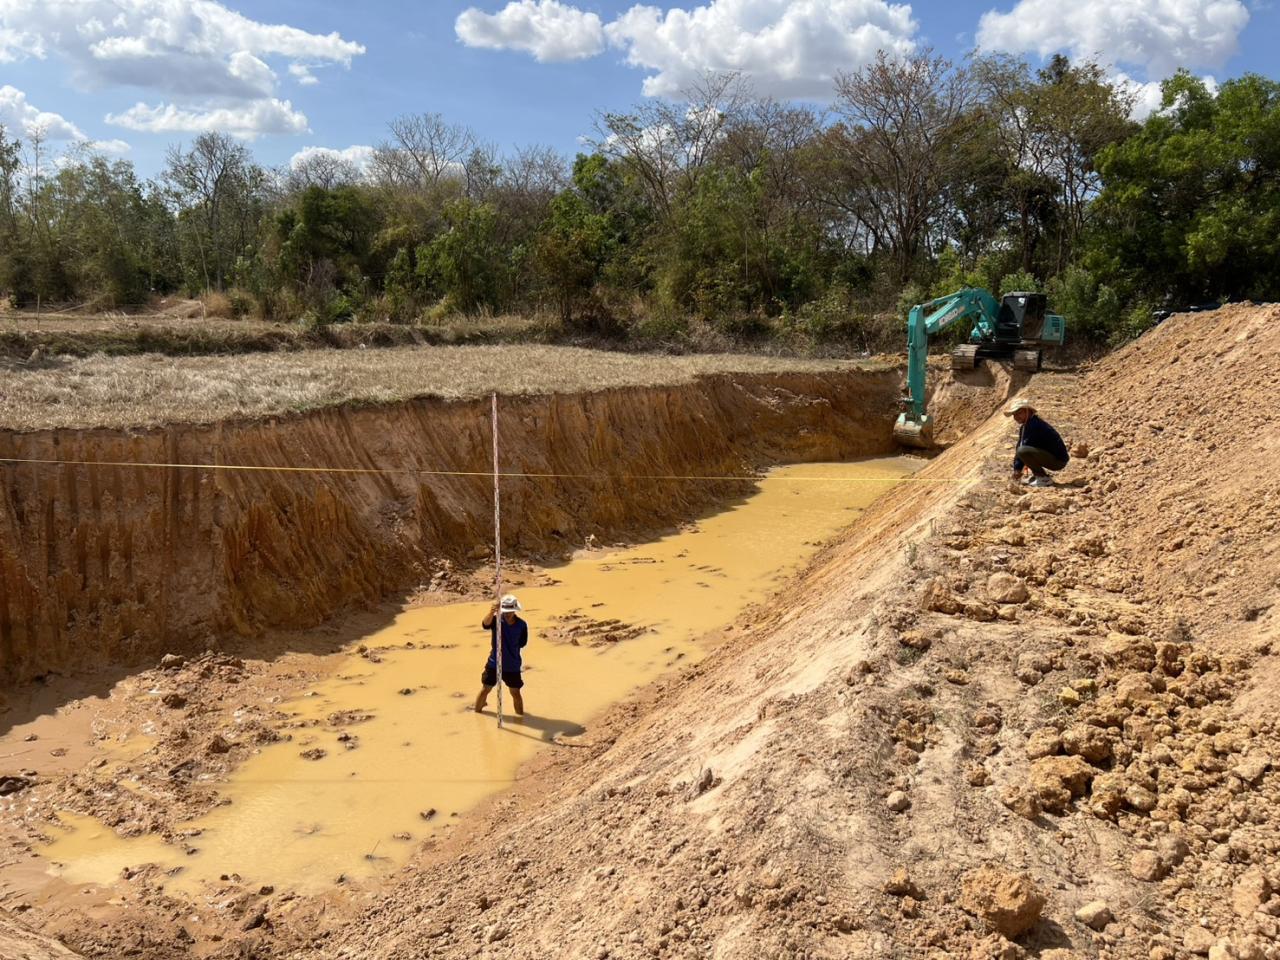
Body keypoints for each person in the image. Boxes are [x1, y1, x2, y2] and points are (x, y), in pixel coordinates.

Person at [475, 594, 528, 716]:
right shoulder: (496, 620)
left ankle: (520, 717)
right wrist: (491, 611)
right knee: (485, 689)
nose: (507, 614)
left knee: (515, 693)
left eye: (510, 611)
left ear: (515, 610)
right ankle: (477, 713)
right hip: (494, 664)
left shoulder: (522, 625)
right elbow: (485, 625)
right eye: (505, 611)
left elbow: (522, 643)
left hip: (512, 666)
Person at [1006, 398, 1069, 487]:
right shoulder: (1027, 425)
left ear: (1028, 411)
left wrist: (1018, 470)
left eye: (1019, 413)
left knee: (1023, 451)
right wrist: (1017, 468)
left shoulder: (1034, 425)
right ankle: (1038, 476)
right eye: (1014, 415)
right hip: (1052, 457)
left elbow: (1023, 449)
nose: (1016, 417)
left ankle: (1043, 478)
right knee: (1022, 450)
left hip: (1058, 461)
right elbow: (1020, 446)